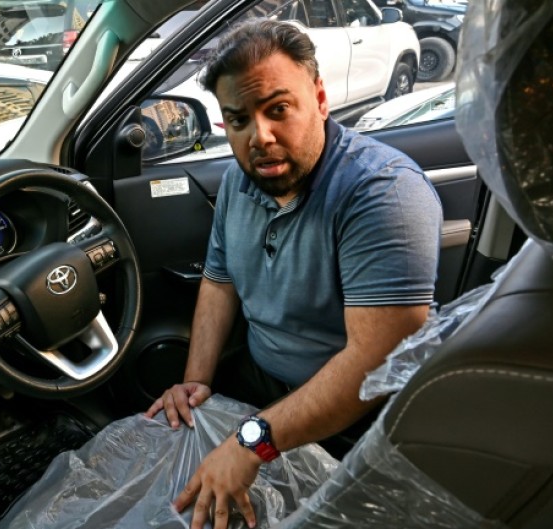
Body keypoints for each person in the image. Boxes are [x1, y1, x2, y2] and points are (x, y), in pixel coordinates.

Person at [143, 20, 442, 529]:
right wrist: (195, 382)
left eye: (277, 110)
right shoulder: (239, 184)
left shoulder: (382, 193)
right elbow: (220, 283)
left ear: (320, 99)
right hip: (261, 384)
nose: (260, 137)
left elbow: (374, 364)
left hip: (357, 420)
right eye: (238, 120)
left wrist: (252, 441)